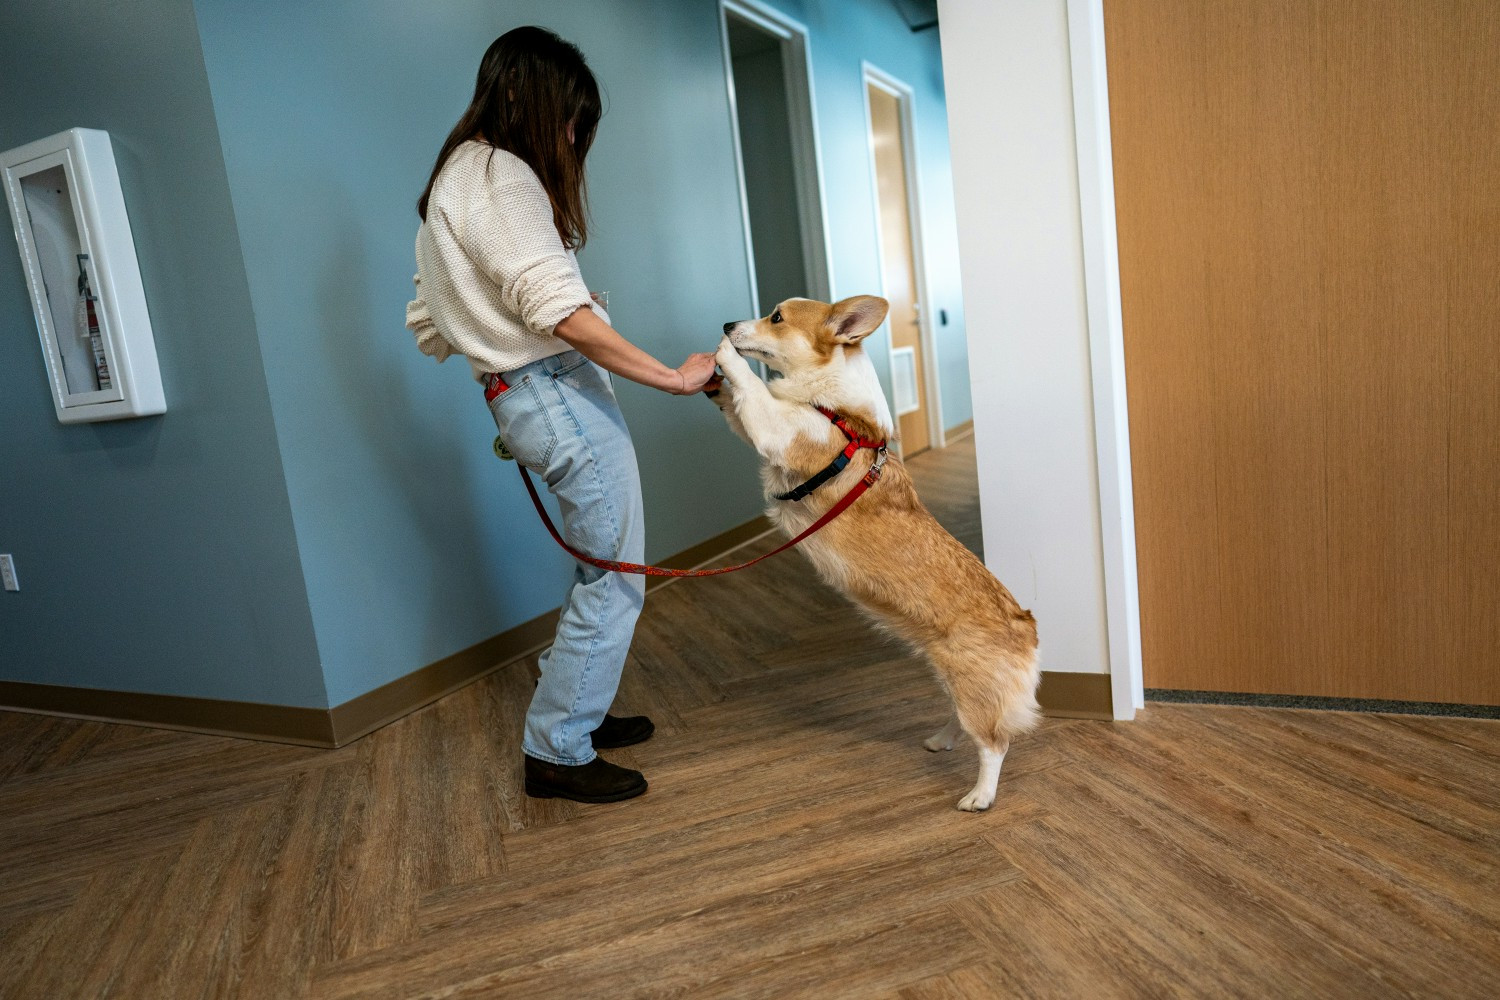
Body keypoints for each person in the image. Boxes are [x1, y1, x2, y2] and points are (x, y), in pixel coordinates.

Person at [405, 26, 717, 803]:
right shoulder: (500, 175)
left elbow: (430, 316)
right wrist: (674, 380)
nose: (575, 137)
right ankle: (556, 750)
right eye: (571, 119)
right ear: (524, 96)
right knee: (616, 582)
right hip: (551, 389)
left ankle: (578, 710)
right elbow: (561, 312)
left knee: (595, 568)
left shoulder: (455, 178)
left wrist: (492, 354)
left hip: (529, 394)